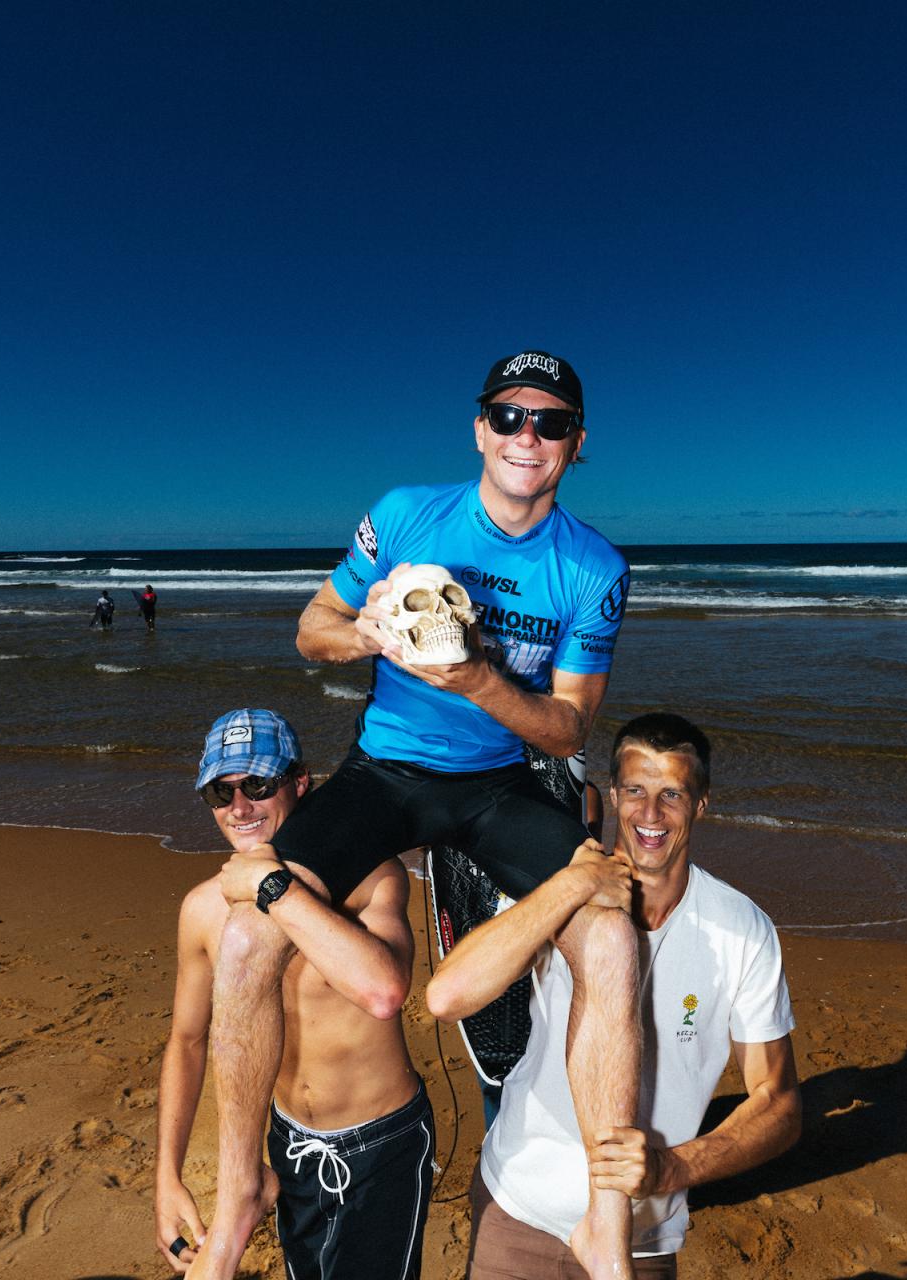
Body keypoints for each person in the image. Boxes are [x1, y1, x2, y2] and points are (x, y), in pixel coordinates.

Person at [191, 351, 637, 1280]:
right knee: (244, 942)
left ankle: (602, 1216)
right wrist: (373, 633)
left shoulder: (592, 567)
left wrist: (473, 672)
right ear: (479, 427)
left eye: (550, 423)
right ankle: (240, 1192)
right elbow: (311, 624)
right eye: (508, 416)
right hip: (385, 772)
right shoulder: (402, 515)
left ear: (576, 445)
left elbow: (565, 730)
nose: (527, 437)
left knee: (612, 939)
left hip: (496, 786)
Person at [427, 713, 800, 1278]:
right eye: (635, 791)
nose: (650, 815)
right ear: (614, 794)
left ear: (701, 803)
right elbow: (448, 996)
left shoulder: (742, 930)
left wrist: (673, 1169)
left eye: (671, 793)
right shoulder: (563, 892)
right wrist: (572, 885)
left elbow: (779, 1104)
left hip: (638, 1244)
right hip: (517, 1211)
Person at [155, 709, 432, 1279]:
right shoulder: (203, 909)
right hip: (287, 1143)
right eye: (221, 791)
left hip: (379, 1144)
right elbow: (186, 1042)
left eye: (258, 785)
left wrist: (273, 888)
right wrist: (167, 1173)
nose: (240, 807)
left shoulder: (370, 878)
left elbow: (385, 988)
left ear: (300, 783)